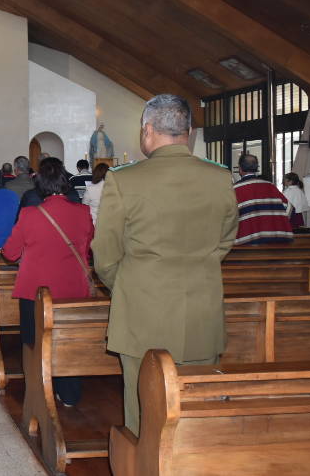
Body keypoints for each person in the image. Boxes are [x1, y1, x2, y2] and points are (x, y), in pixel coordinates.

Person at [92, 94, 238, 435]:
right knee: (198, 410)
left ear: (147, 131)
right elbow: (226, 239)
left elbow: (105, 253)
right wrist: (196, 267)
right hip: (202, 310)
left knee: (145, 414)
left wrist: (131, 283)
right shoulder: (219, 177)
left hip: (143, 313)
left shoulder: (124, 180)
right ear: (188, 131)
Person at [3, 156, 93, 407]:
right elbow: (88, 247)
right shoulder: (83, 212)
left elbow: (10, 253)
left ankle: (38, 391)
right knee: (69, 340)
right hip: (73, 288)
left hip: (36, 290)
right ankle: (70, 394)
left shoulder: (30, 214)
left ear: (40, 184)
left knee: (34, 342)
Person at [233, 153, 292, 245]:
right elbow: (289, 209)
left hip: (247, 242)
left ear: (240, 169)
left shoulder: (235, 189)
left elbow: (228, 218)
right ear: (256, 168)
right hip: (275, 243)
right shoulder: (270, 186)